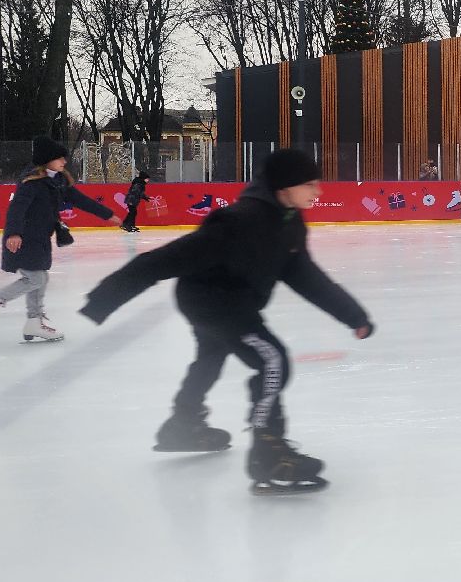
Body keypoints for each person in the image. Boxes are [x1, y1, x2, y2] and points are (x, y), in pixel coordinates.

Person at [78, 148, 374, 495]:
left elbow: (305, 276)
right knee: (271, 360)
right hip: (214, 302)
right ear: (284, 187)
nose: (319, 191)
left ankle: (183, 423)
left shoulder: (289, 221)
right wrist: (102, 300)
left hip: (228, 300)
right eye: (310, 184)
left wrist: (352, 315)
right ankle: (268, 449)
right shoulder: (240, 222)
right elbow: (161, 261)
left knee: (211, 357)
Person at [0, 137, 116, 343]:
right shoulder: (31, 182)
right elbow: (16, 208)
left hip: (40, 238)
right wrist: (14, 233)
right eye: (59, 158)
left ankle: (34, 321)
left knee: (40, 278)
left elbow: (80, 200)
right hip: (24, 238)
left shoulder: (57, 180)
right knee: (36, 279)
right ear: (47, 160)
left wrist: (107, 214)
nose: (64, 162)